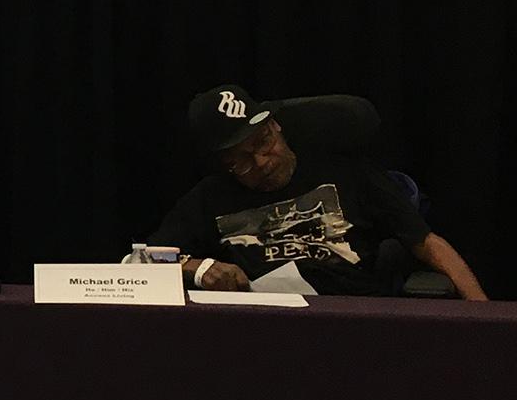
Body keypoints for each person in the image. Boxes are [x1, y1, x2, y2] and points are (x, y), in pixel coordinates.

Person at [148, 83, 487, 299]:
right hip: (260, 329)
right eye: (242, 161)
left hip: (350, 318)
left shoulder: (346, 172)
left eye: (262, 143)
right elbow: (147, 259)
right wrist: (200, 268)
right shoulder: (210, 197)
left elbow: (428, 243)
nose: (261, 161)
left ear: (275, 125)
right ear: (224, 165)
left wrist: (482, 319)